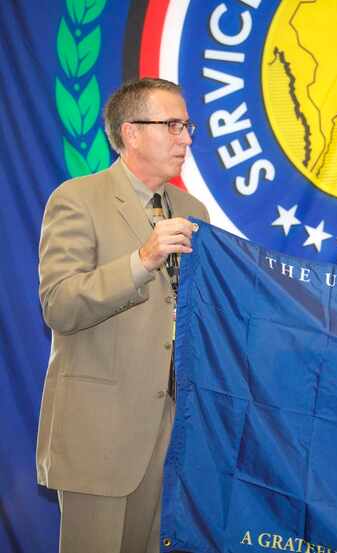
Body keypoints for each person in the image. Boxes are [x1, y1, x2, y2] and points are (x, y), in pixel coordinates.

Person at [36, 78, 209, 553]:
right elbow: (60, 303)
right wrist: (142, 261)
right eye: (173, 125)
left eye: (187, 125)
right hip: (100, 432)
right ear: (131, 133)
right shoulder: (77, 199)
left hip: (173, 434)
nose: (187, 138)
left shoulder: (195, 211)